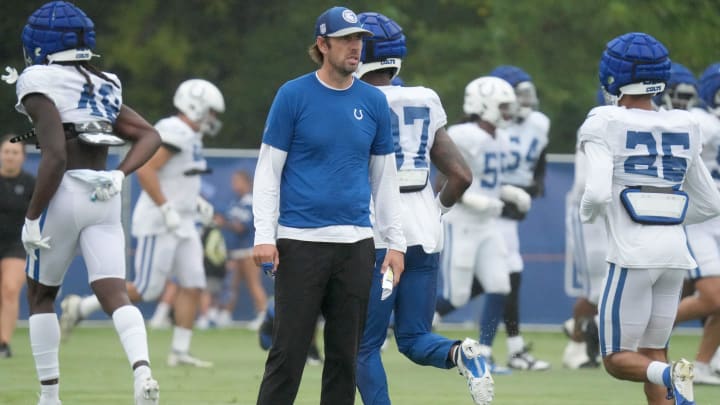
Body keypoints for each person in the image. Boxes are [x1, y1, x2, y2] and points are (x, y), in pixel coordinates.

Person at [252, 6, 406, 404]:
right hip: (299, 243)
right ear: (322, 45)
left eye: (359, 40)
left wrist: (396, 244)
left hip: (356, 246)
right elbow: (268, 172)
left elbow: (384, 178)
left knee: (345, 357)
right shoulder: (293, 95)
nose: (355, 47)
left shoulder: (374, 102)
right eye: (346, 40)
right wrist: (263, 236)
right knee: (288, 353)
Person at [12, 2, 162, 404]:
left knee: (41, 295)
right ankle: (142, 371)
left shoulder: (36, 78)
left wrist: (32, 217)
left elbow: (56, 155)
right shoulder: (104, 81)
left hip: (65, 191)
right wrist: (119, 174)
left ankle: (49, 396)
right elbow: (149, 134)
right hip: (104, 194)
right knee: (115, 292)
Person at [354, 11, 493, 405]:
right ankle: (461, 354)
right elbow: (460, 175)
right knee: (414, 337)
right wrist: (436, 209)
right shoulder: (424, 98)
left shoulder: (355, 100)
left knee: (362, 346)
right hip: (425, 232)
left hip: (378, 233)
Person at [580, 32, 720, 404]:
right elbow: (710, 203)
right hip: (675, 255)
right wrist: (666, 218)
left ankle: (671, 376)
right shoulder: (686, 123)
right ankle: (672, 384)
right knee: (654, 349)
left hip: (632, 256)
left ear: (612, 74)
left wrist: (590, 215)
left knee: (616, 358)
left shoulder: (603, 120)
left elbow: (594, 194)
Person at [61, 77, 224, 368]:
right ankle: (82, 306)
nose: (212, 118)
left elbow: (179, 176)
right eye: (210, 111)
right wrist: (166, 208)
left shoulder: (191, 135)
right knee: (148, 288)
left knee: (194, 283)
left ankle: (179, 351)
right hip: (160, 222)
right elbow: (147, 170)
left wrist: (194, 203)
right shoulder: (174, 130)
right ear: (196, 106)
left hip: (183, 221)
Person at [437, 75, 531, 374]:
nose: (507, 113)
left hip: (487, 224)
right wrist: (470, 200)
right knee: (458, 295)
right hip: (462, 222)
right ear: (483, 105)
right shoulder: (462, 134)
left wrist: (510, 193)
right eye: (502, 106)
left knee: (500, 285)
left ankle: (486, 352)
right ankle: (402, 325)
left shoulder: (501, 139)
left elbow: (493, 184)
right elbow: (444, 180)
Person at [489, 65, 551, 371]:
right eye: (519, 94)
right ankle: (426, 318)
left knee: (503, 278)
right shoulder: (489, 128)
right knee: (500, 278)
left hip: (509, 213)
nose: (526, 100)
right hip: (485, 210)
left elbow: (540, 159)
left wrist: (536, 183)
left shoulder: (539, 124)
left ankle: (507, 349)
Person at [674, 61, 720, 384]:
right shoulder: (701, 122)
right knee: (714, 297)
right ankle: (638, 330)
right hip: (698, 220)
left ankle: (703, 364)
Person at [561, 88, 608, 370]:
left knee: (610, 284)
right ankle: (577, 342)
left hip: (613, 213)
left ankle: (584, 332)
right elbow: (584, 182)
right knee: (595, 289)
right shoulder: (595, 124)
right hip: (590, 213)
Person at [214, 170, 267, 329]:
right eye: (233, 181)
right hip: (235, 252)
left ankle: (264, 315)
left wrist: (224, 223)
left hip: (248, 250)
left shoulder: (250, 202)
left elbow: (241, 227)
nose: (235, 185)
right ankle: (225, 315)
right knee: (231, 285)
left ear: (247, 183)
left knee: (253, 284)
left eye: (238, 181)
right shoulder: (234, 202)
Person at [0, 134, 34, 358]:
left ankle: (3, 344)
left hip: (16, 244)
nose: (10, 156)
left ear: (22, 157)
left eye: (15, 152)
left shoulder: (31, 183)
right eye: (6, 152)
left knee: (10, 288)